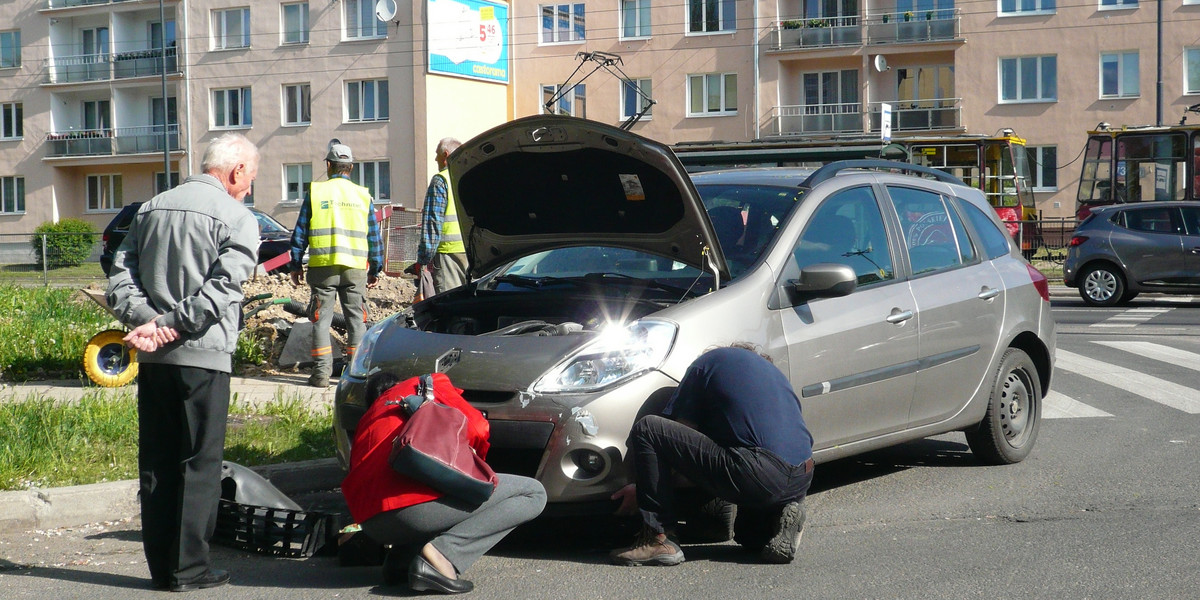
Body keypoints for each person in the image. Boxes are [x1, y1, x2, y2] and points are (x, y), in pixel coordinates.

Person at [106, 132, 261, 592]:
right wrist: (173, 325)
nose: (249, 188)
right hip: (204, 356)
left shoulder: (150, 208)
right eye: (249, 178)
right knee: (198, 463)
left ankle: (162, 569)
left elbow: (120, 275)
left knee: (156, 460)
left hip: (154, 360)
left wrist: (150, 323)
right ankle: (189, 570)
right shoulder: (237, 216)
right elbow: (224, 288)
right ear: (235, 172)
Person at [609, 344, 815, 566]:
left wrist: (643, 486)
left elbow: (677, 443)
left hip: (758, 469)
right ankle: (779, 516)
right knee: (750, 537)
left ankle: (659, 538)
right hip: (802, 477)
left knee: (649, 429)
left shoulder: (705, 364)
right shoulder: (772, 375)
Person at [342, 372, 547, 594]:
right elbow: (477, 427)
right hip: (412, 512)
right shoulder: (427, 384)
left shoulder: (371, 415)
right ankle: (442, 556)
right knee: (533, 493)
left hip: (372, 525)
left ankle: (402, 561)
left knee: (428, 486)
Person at [288, 141, 383, 388]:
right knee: (356, 321)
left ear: (329, 166)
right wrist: (375, 267)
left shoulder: (316, 192)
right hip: (354, 269)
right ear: (350, 168)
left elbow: (300, 232)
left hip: (323, 268)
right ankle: (354, 375)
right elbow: (374, 235)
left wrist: (295, 263)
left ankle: (321, 375)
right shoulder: (363, 195)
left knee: (321, 319)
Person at [414, 137, 468, 298]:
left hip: (448, 254)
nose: (435, 158)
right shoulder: (469, 178)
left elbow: (432, 224)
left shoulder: (441, 180)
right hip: (472, 253)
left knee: (449, 303)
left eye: (437, 154)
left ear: (445, 156)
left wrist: (423, 259)